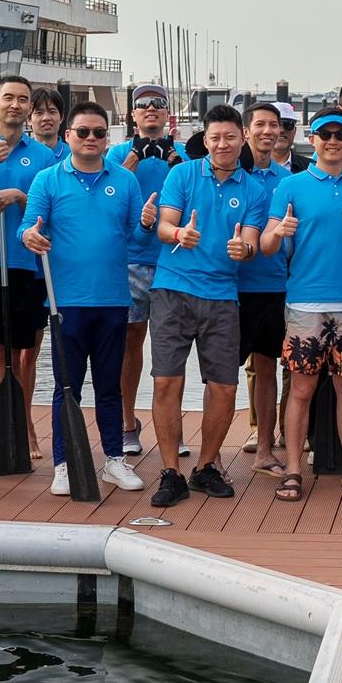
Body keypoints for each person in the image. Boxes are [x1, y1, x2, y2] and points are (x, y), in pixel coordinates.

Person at [261, 109, 342, 503]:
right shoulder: (291, 187)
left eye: (340, 135)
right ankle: (295, 468)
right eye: (325, 135)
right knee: (302, 388)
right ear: (312, 140)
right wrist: (278, 231)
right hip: (304, 303)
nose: (333, 142)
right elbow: (266, 246)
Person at [22, 100, 146, 495]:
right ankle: (64, 462)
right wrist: (29, 236)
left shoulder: (125, 181)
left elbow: (137, 237)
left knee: (109, 387)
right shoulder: (47, 179)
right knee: (66, 387)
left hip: (112, 300)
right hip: (66, 303)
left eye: (99, 133)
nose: (91, 139)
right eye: (83, 132)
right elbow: (28, 226)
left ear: (107, 138)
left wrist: (147, 222)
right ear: (68, 136)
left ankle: (114, 459)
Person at [148, 103, 265, 505]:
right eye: (215, 137)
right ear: (205, 139)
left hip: (221, 297)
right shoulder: (181, 174)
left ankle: (207, 466)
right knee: (166, 380)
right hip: (172, 289)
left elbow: (251, 241)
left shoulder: (254, 189)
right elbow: (164, 226)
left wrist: (243, 249)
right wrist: (179, 232)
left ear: (242, 138)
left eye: (230, 137)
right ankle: (170, 471)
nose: (222, 144)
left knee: (224, 387)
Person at [0, 75, 61, 462]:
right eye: (9, 97)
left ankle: (21, 430)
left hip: (24, 267)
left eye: (23, 99)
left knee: (18, 355)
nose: (16, 105)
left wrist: (22, 197)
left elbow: (53, 212)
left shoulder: (43, 156)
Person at [110, 82, 185, 459]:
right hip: (132, 260)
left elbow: (198, 190)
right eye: (143, 105)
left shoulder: (184, 155)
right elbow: (102, 196)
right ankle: (127, 421)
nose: (151, 109)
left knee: (172, 348)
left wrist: (175, 162)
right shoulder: (118, 155)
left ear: (168, 113)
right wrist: (130, 166)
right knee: (130, 343)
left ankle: (173, 425)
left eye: (158, 104)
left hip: (175, 261)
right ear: (134, 115)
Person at [238, 101, 293, 477]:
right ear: (247, 131)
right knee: (223, 374)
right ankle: (211, 455)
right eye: (260, 125)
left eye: (274, 125)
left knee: (268, 367)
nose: (268, 131)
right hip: (233, 287)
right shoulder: (231, 174)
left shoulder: (287, 180)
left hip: (277, 286)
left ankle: (265, 447)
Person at [28, 86, 64, 151]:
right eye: (39, 113)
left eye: (52, 112)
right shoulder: (17, 154)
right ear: (29, 119)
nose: (46, 118)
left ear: (61, 117)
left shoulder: (74, 155)